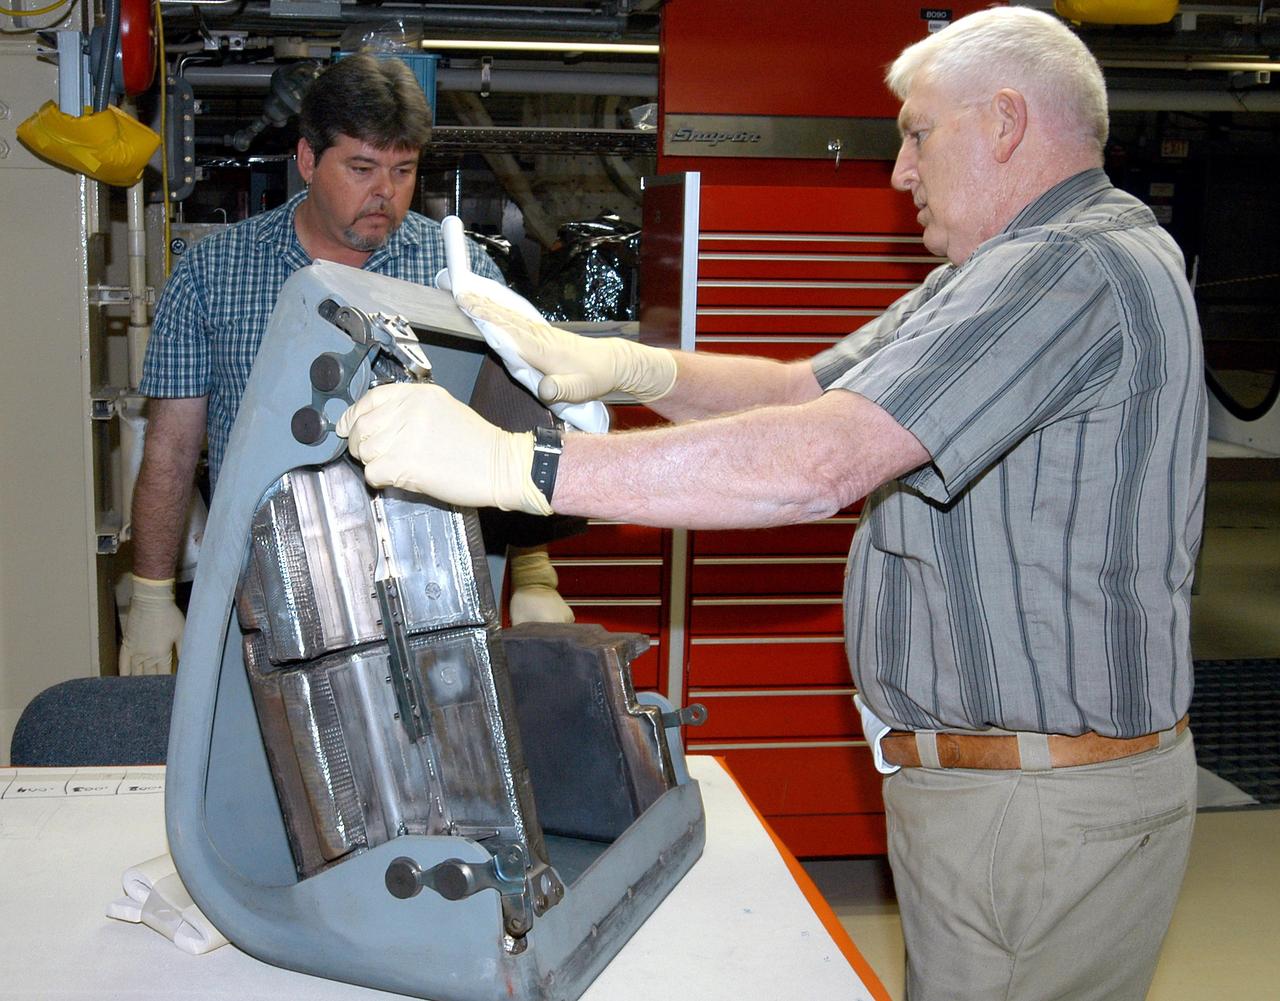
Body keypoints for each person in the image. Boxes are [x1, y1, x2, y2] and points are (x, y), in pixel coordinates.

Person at [335, 8, 1207, 1000]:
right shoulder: (1008, 269)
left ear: (1004, 122)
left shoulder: (1065, 267)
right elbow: (805, 391)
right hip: (1006, 792)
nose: (899, 172)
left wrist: (522, 466)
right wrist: (621, 365)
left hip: (1036, 805)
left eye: (915, 134)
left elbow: (820, 460)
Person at [120, 53, 574, 677]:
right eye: (361, 168)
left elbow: (512, 425)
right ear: (308, 160)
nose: (384, 193)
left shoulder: (457, 275)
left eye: (403, 170)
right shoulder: (213, 274)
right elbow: (171, 450)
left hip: (428, 592)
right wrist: (150, 595)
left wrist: (532, 571)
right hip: (264, 587)